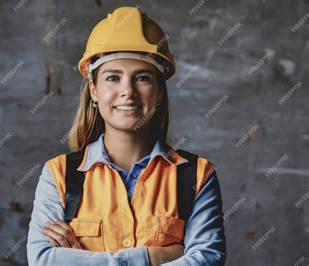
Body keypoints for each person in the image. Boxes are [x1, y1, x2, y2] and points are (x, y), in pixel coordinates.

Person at [27, 6, 226, 265]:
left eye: (142, 78)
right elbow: (44, 260)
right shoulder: (59, 175)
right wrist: (158, 256)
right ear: (94, 90)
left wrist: (81, 257)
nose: (127, 91)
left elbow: (207, 260)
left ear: (159, 92)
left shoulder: (197, 175)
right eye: (112, 78)